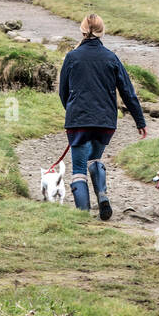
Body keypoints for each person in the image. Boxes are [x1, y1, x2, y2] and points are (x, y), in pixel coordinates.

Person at [58, 14, 147, 220]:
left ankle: (83, 214)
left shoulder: (72, 57)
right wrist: (140, 121)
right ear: (102, 31)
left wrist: (71, 111)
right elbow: (128, 92)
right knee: (95, 158)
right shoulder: (111, 57)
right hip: (105, 122)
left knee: (79, 168)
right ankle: (103, 196)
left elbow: (63, 92)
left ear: (82, 31)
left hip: (78, 120)